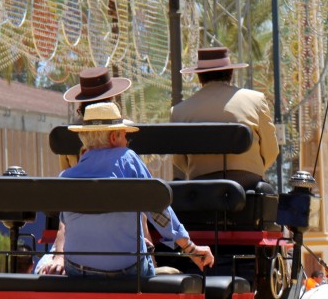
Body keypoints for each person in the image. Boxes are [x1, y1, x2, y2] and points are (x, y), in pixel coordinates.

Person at [40, 102, 214, 277]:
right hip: (128, 272)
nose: (127, 142)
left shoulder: (66, 177)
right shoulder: (127, 159)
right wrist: (190, 248)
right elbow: (158, 211)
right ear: (114, 137)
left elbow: (68, 225)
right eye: (125, 137)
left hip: (78, 271)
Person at [170, 47, 280, 189]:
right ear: (230, 73)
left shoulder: (179, 111)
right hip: (248, 186)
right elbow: (271, 151)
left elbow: (180, 162)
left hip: (203, 190)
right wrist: (252, 169)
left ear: (199, 76)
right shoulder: (256, 100)